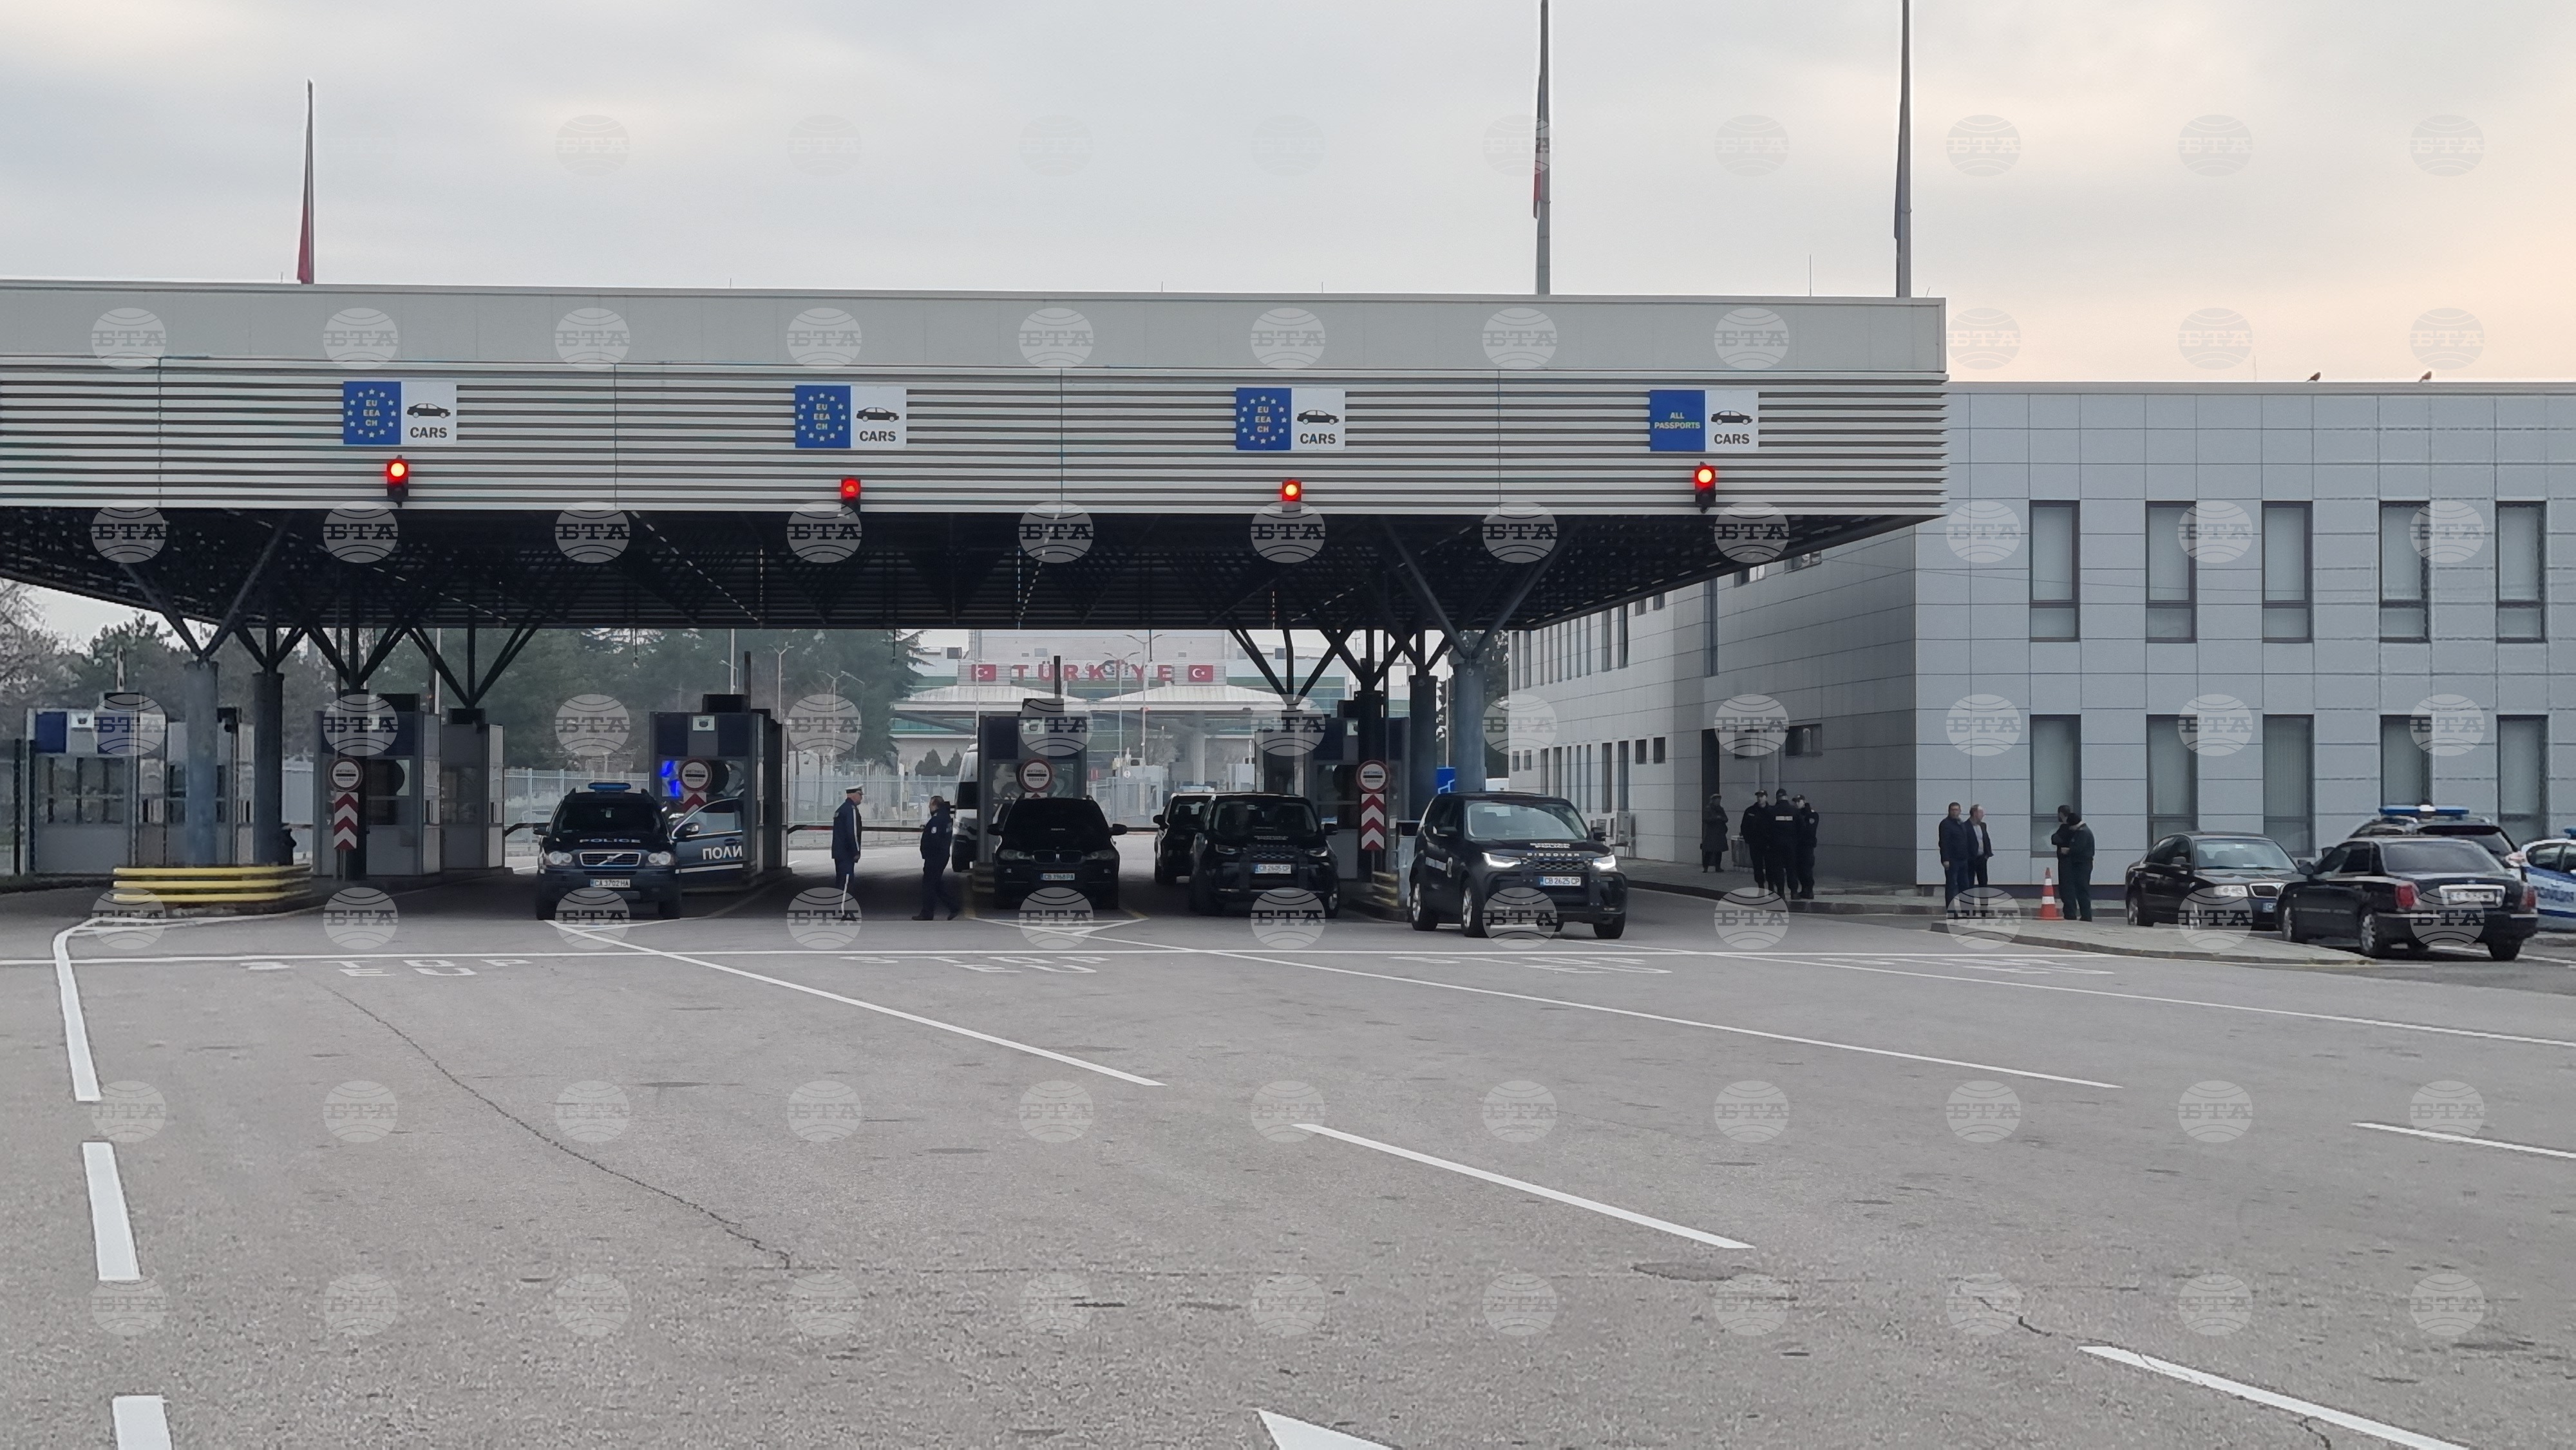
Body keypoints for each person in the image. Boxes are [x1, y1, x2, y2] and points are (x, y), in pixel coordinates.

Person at [914, 796, 960, 920]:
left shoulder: (937, 819)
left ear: (935, 804)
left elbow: (935, 839)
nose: (929, 807)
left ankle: (928, 913)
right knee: (936, 884)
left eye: (930, 804)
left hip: (935, 857)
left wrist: (928, 852)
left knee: (929, 885)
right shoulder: (946, 817)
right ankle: (953, 907)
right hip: (941, 855)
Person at [2050, 805, 2096, 921]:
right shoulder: (2083, 831)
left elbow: (2077, 848)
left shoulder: (2082, 832)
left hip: (2079, 865)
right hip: (2080, 864)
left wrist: (2068, 850)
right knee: (2080, 889)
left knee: (2078, 890)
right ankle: (2084, 915)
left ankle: (2083, 915)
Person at [1937, 802, 1975, 909]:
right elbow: (1944, 842)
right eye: (1953, 810)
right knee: (1952, 886)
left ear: (1960, 811)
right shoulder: (1946, 824)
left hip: (1963, 860)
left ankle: (1966, 910)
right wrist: (1945, 859)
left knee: (1964, 886)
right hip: (1952, 860)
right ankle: (1951, 911)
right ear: (1949, 811)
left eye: (1957, 810)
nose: (1955, 812)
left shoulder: (1961, 823)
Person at [829, 786, 864, 894]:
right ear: (853, 795)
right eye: (860, 795)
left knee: (840, 881)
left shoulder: (841, 809)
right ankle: (843, 905)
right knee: (846, 884)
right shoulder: (851, 810)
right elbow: (852, 832)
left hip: (839, 852)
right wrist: (856, 851)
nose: (861, 798)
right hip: (847, 853)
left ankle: (838, 904)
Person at [1766, 792, 1800, 898]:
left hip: (1776, 845)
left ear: (1777, 798)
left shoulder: (1772, 811)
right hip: (1791, 845)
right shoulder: (1795, 811)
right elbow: (1801, 828)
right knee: (1792, 868)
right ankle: (1794, 892)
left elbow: (1767, 829)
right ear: (1786, 797)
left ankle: (1781, 892)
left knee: (1778, 869)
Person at [1740, 791, 1772, 892]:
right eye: (1758, 796)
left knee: (1770, 866)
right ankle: (1761, 887)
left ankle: (1771, 887)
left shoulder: (1772, 811)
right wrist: (1749, 840)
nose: (1760, 798)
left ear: (1766, 798)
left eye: (1762, 796)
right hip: (1755, 844)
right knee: (1757, 866)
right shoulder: (1750, 811)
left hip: (1768, 844)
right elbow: (1744, 827)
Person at [1789, 793, 1819, 899]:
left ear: (1804, 801)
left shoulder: (1812, 814)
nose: (1797, 804)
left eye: (1799, 801)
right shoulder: (1795, 814)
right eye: (1795, 802)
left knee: (1807, 869)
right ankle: (1804, 890)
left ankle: (1809, 890)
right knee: (1799, 869)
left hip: (1807, 846)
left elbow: (1810, 830)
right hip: (1798, 846)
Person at [1967, 804, 1994, 889]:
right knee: (1969, 882)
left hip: (1982, 858)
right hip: (1970, 859)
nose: (1983, 815)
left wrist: (1987, 854)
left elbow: (1986, 839)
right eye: (1981, 812)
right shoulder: (1965, 826)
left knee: (1983, 882)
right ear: (1975, 813)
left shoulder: (1983, 825)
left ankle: (1984, 898)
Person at [1700, 791, 1728, 872]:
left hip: (1720, 833)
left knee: (1719, 851)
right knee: (1709, 851)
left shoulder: (1720, 809)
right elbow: (1706, 819)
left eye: (1719, 801)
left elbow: (1726, 819)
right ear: (1713, 800)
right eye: (1717, 800)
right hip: (1711, 834)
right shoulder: (1708, 809)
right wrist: (1716, 818)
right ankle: (1706, 867)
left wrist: (1721, 818)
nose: (1718, 802)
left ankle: (1718, 867)